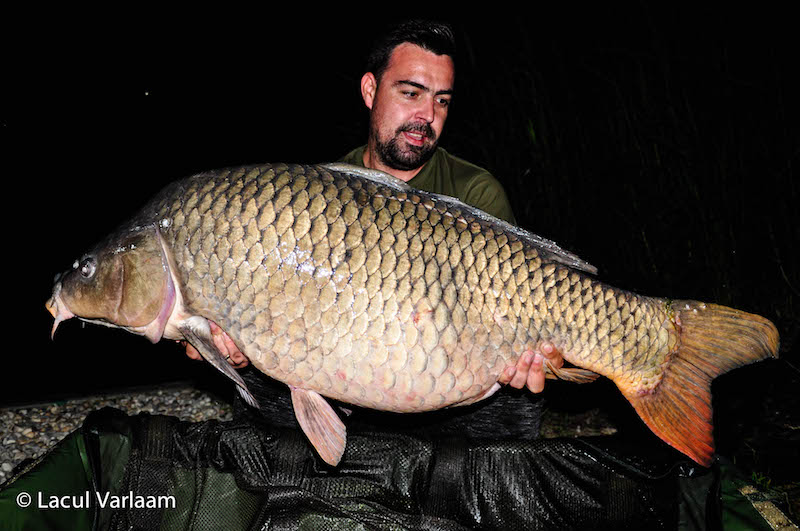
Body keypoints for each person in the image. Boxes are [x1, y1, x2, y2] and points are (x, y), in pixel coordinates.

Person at [184, 19, 563, 397]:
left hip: (441, 382)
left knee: (513, 406)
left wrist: (526, 356)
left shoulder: (476, 193)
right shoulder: (318, 199)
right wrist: (240, 344)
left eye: (441, 100)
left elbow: (518, 310)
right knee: (265, 391)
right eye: (411, 93)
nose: (428, 115)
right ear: (370, 90)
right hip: (346, 374)